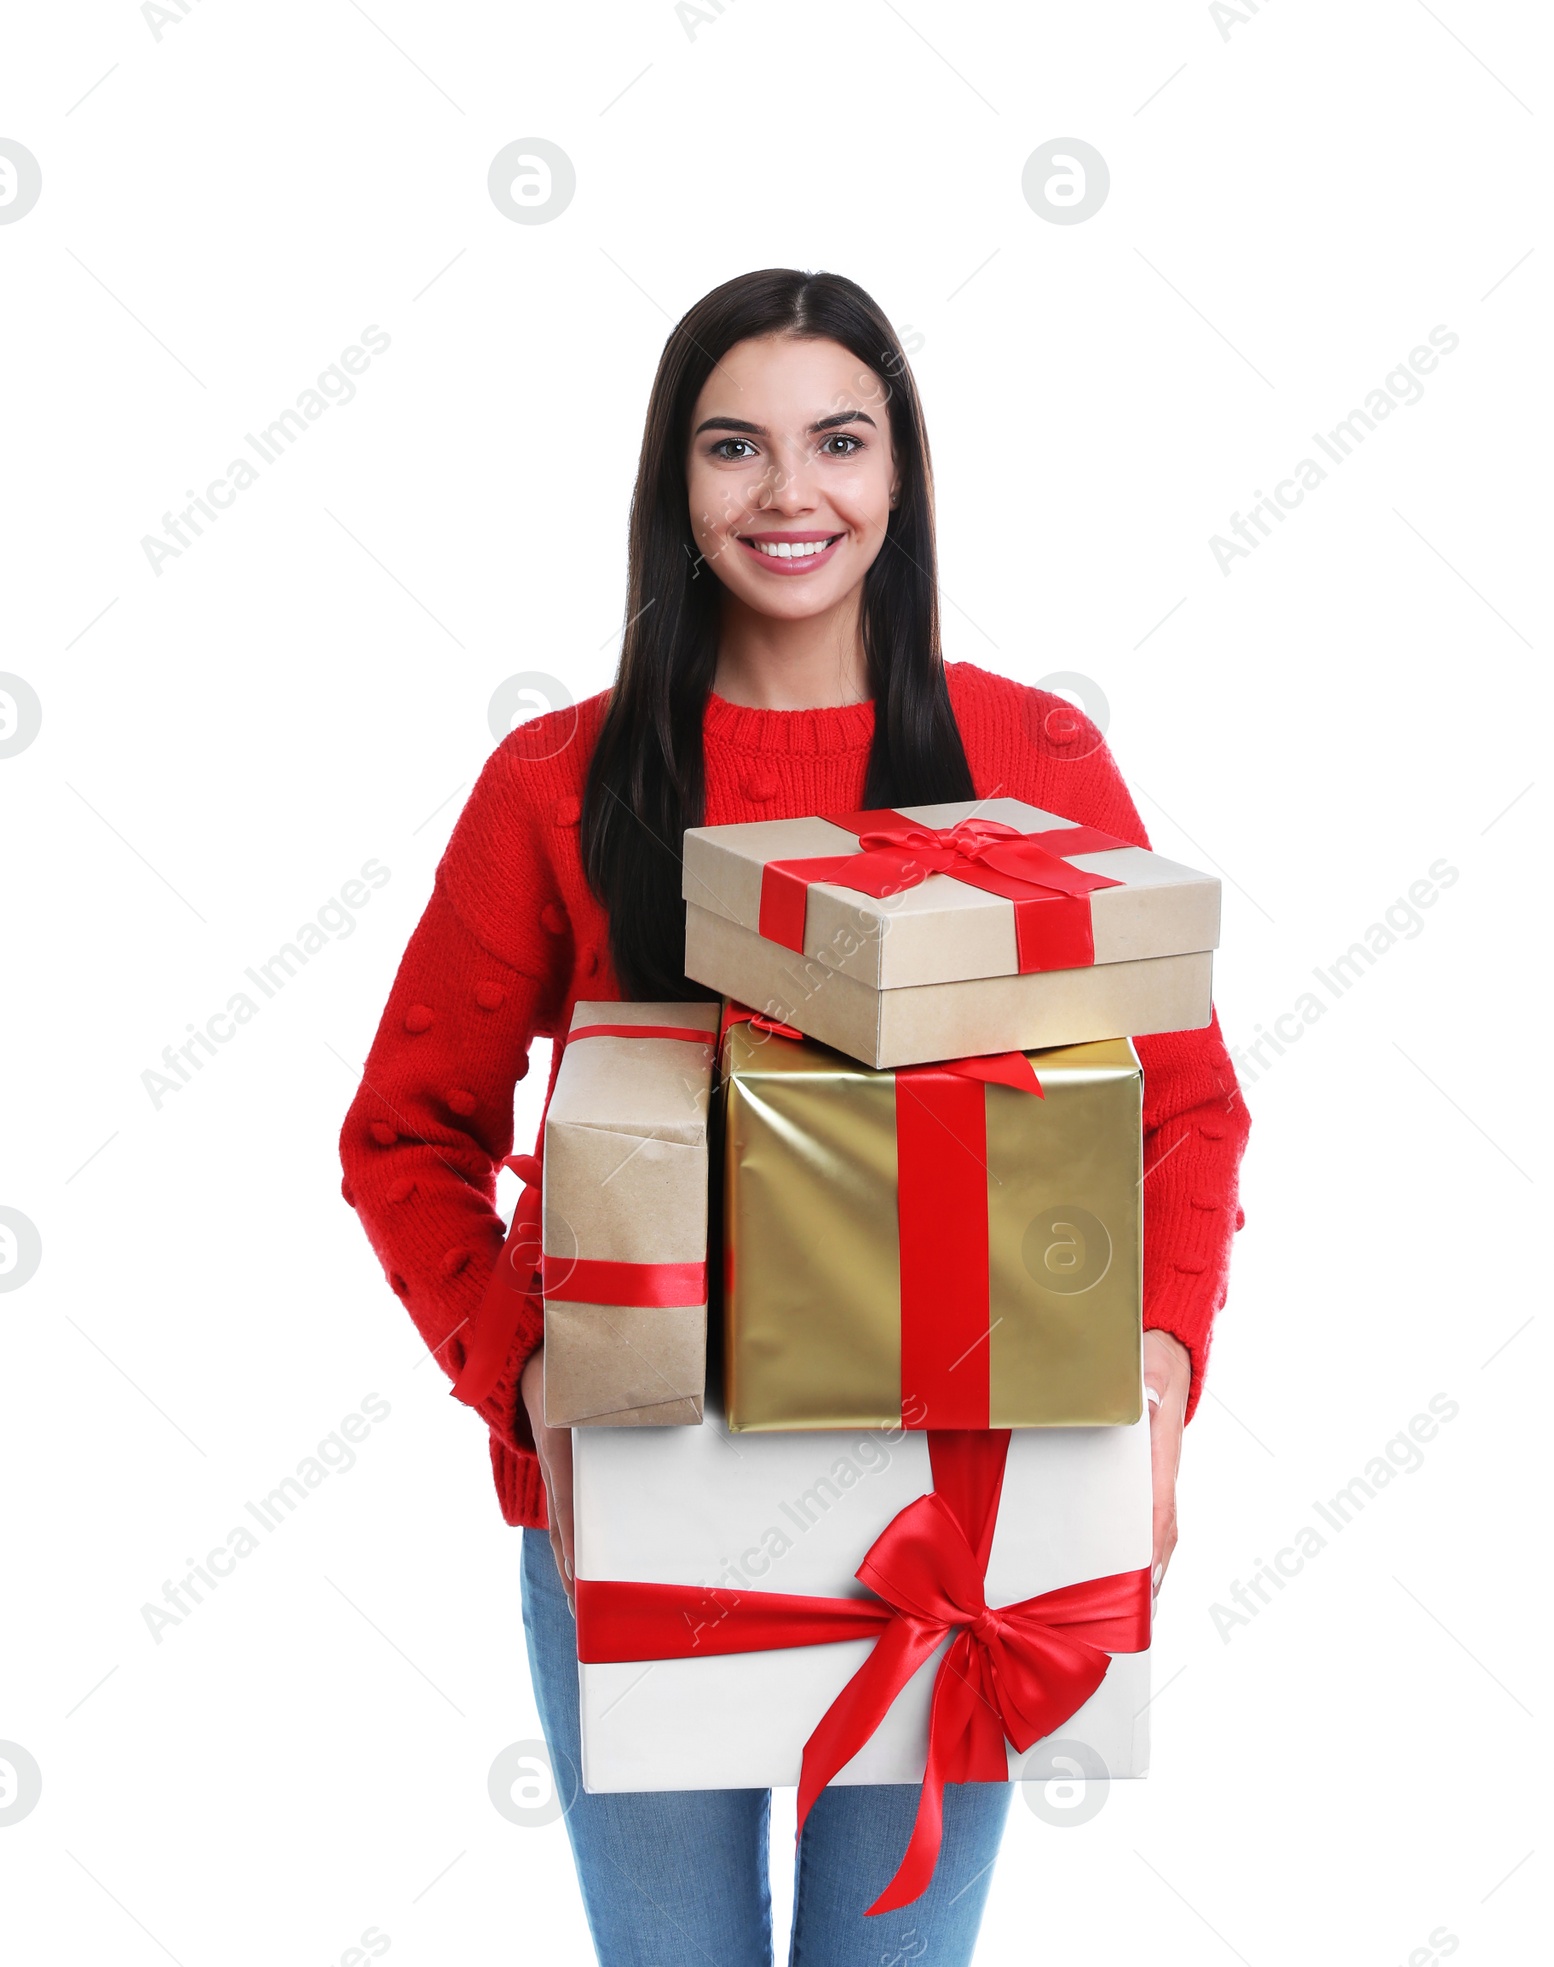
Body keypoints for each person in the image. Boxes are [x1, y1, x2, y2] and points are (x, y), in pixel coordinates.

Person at [339, 267, 1251, 1966]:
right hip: (640, 1488)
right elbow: (405, 1131)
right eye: (733, 448)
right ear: (674, 488)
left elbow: (1184, 1109)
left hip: (965, 1500)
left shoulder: (1026, 753)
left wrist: (1159, 1371)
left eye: (840, 441)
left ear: (899, 477)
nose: (791, 495)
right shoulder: (563, 778)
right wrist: (517, 1364)